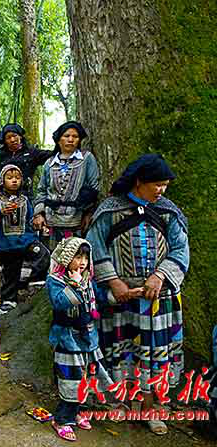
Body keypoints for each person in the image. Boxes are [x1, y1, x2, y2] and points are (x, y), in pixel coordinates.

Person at [86, 153, 189, 436]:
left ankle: (151, 406)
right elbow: (94, 246)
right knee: (122, 351)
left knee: (154, 354)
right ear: (139, 181)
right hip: (121, 299)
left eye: (165, 185)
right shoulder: (110, 211)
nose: (162, 190)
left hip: (157, 300)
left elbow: (181, 249)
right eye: (158, 185)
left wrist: (160, 275)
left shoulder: (168, 212)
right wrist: (114, 282)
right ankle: (122, 401)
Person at [47, 237, 113, 442]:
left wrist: (121, 296)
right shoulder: (55, 281)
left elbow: (99, 297)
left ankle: (76, 413)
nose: (82, 262)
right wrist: (74, 286)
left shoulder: (87, 280)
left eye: (85, 257)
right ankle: (61, 420)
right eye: (77, 257)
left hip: (88, 339)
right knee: (70, 380)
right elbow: (59, 303)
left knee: (84, 378)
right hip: (67, 339)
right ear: (67, 258)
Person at [0, 165, 46, 316]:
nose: (14, 181)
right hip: (6, 244)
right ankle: (9, 300)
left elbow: (30, 219)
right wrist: (0, 214)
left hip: (26, 240)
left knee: (42, 254)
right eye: (10, 178)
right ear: (2, 181)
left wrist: (38, 225)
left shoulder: (25, 200)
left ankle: (34, 282)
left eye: (17, 178)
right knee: (10, 272)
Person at [34, 121, 100, 249]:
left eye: (75, 136)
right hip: (51, 220)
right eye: (66, 136)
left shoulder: (86, 159)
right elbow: (42, 190)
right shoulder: (49, 163)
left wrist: (89, 213)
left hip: (76, 220)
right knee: (52, 256)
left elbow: (93, 187)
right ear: (59, 140)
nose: (70, 140)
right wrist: (39, 214)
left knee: (74, 255)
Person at [0, 123, 52, 199]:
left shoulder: (31, 152)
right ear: (5, 141)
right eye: (8, 138)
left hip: (26, 196)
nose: (12, 140)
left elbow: (52, 155)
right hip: (3, 197)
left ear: (20, 136)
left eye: (14, 136)